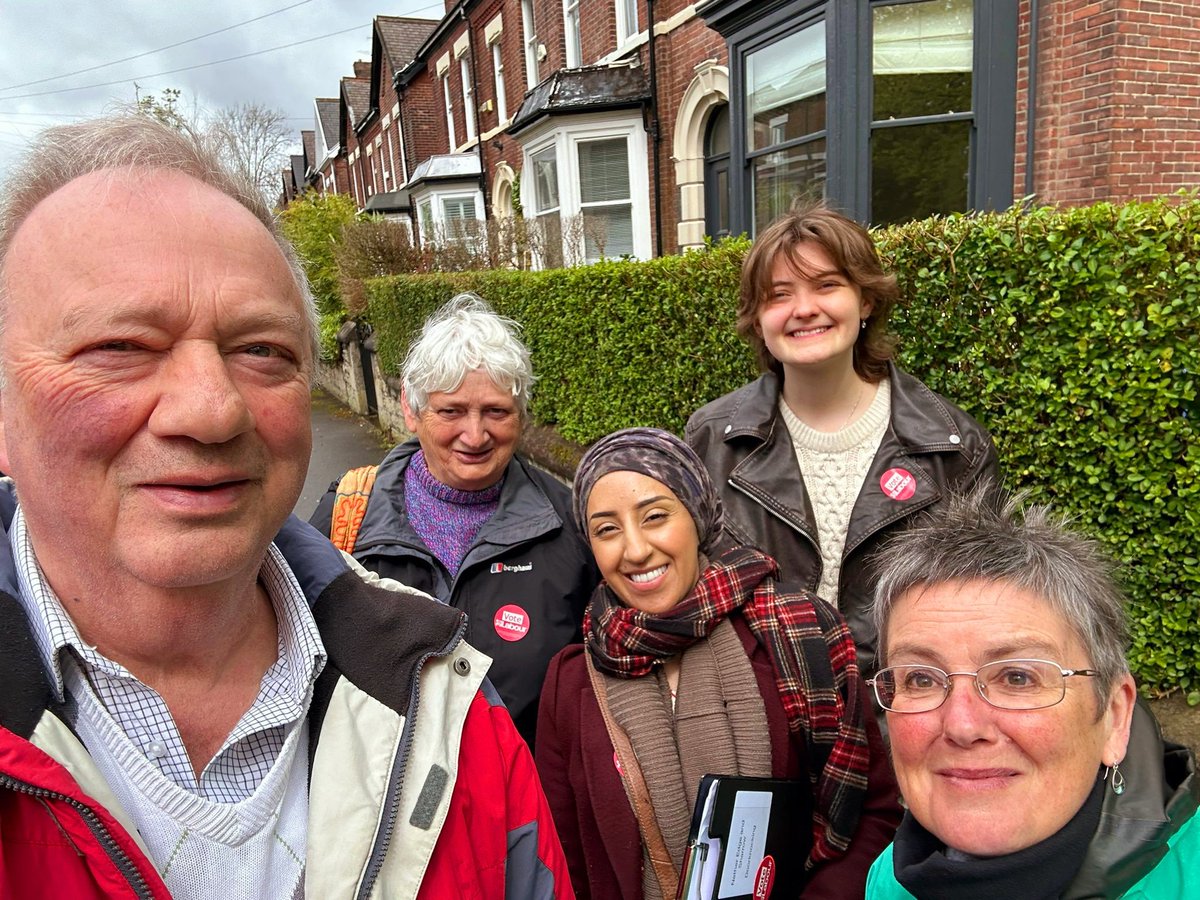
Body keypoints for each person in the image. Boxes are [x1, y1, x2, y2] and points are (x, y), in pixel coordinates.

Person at [0, 116, 570, 899]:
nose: (211, 409)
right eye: (119, 347)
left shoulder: (453, 695)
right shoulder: (356, 514)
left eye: (262, 351)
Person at [537, 427, 902, 900]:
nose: (635, 549)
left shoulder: (797, 631)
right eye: (607, 529)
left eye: (654, 517)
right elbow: (560, 853)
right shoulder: (571, 683)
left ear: (698, 518)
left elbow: (871, 810)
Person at [686, 204, 999, 675]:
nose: (804, 308)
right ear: (758, 319)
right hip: (762, 717)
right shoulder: (710, 440)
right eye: (778, 295)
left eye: (827, 285)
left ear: (866, 300)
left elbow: (984, 609)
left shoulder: (955, 449)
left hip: (901, 716)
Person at [863, 488, 1198, 899]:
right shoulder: (890, 879)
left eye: (1018, 677)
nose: (963, 725)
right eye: (921, 679)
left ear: (1114, 715)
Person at [311, 294, 597, 746]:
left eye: (496, 411)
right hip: (382, 808)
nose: (476, 434)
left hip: (521, 806)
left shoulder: (570, 525)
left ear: (520, 415)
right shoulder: (346, 515)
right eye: (451, 411)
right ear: (411, 409)